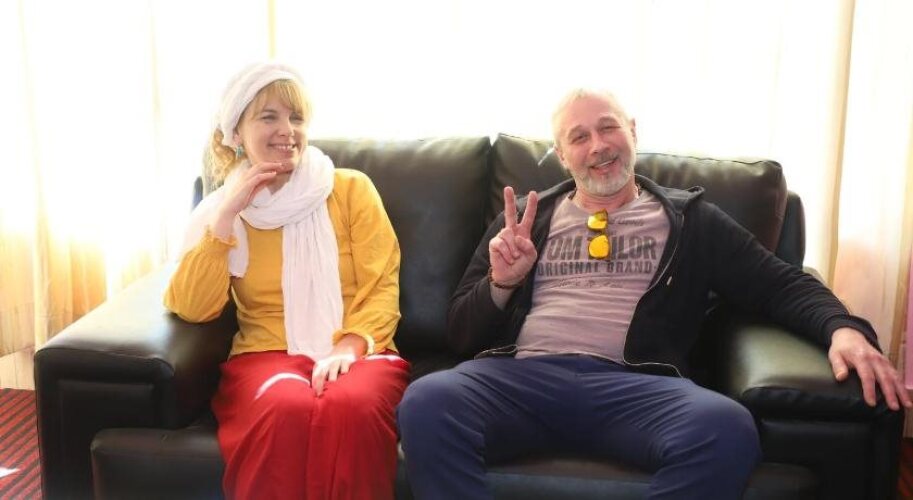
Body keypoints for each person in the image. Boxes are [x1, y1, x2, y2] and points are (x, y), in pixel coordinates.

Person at [397, 88, 911, 499]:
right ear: (562, 156)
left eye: (608, 127)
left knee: (726, 427)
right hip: (522, 382)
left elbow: (780, 282)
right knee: (427, 400)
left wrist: (843, 328)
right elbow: (460, 332)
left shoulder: (692, 220)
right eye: (579, 137)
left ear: (632, 132)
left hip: (636, 389)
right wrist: (503, 283)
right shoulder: (522, 224)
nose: (597, 145)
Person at [164, 62, 409, 500]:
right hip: (265, 355)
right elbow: (193, 307)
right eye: (269, 117)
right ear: (236, 133)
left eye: (297, 117)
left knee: (351, 405)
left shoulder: (352, 190)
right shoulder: (223, 211)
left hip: (359, 350)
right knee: (285, 406)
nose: (287, 131)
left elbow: (382, 285)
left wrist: (348, 346)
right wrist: (227, 214)